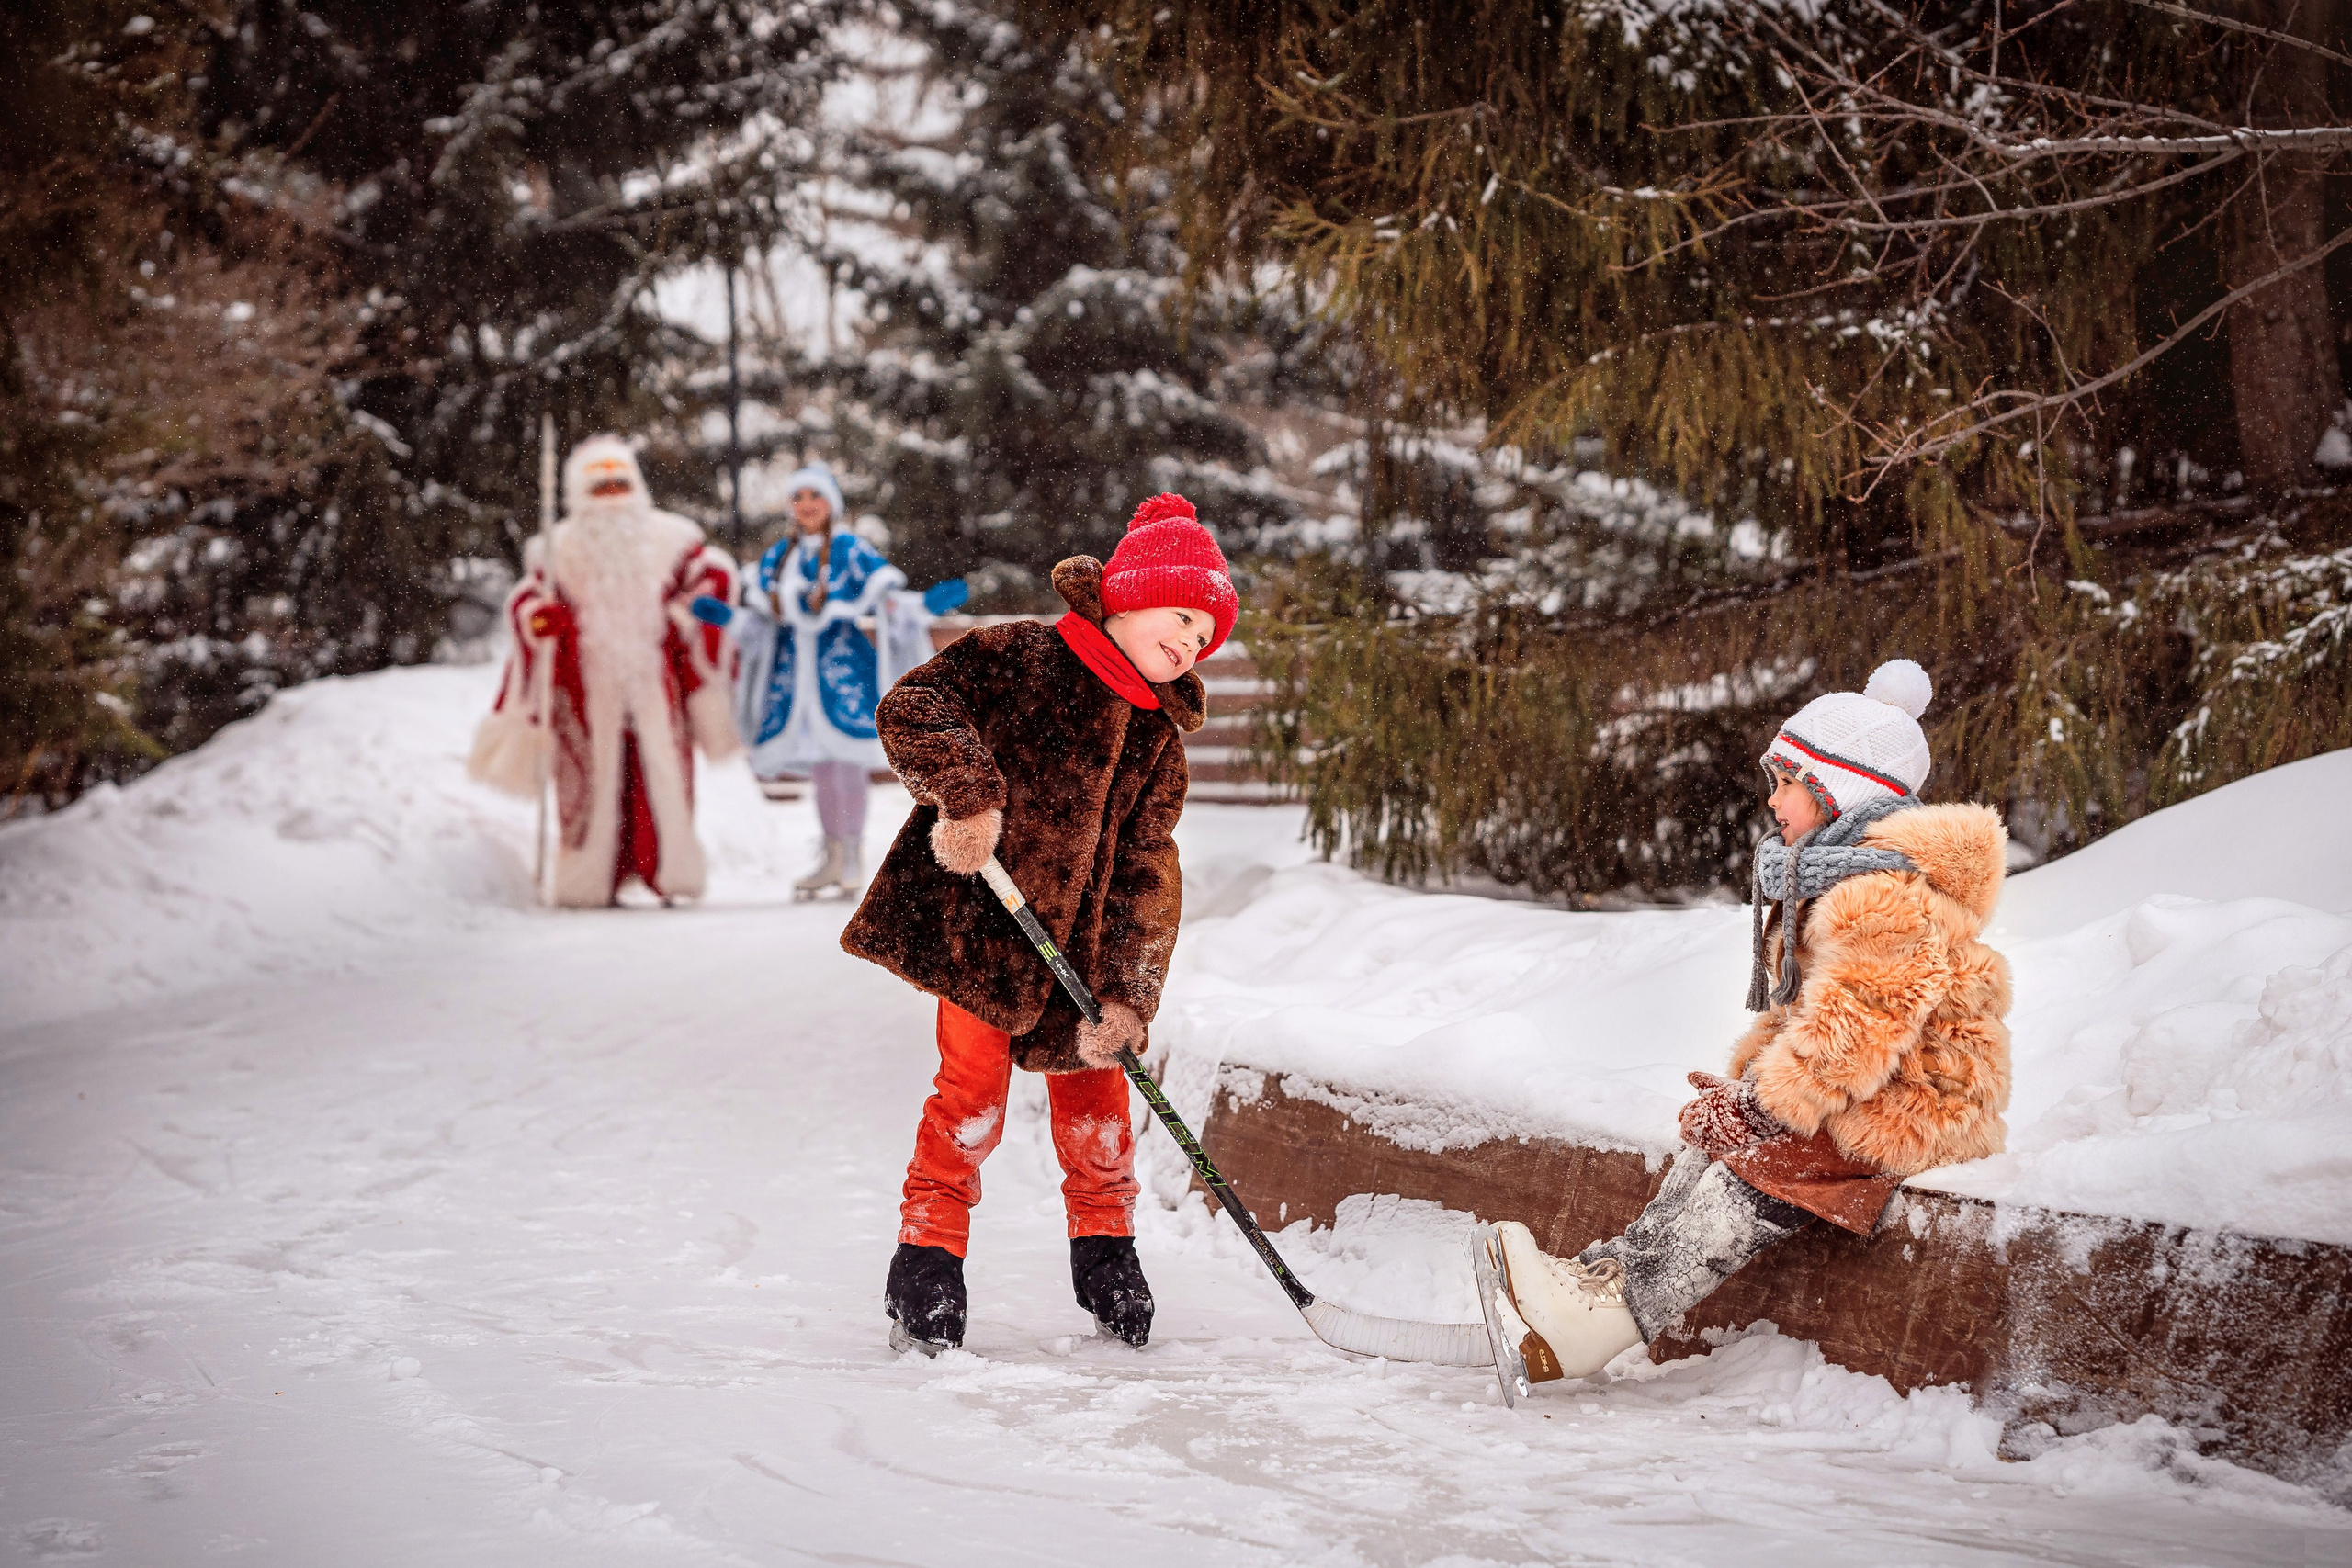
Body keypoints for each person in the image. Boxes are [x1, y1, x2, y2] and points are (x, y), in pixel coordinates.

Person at [1477, 660, 2014, 1389]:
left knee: (1764, 1164)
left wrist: (1767, 1103)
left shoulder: (1883, 895)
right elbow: (1807, 1017)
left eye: (1788, 781)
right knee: (1716, 1144)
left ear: (1839, 791)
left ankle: (1611, 1319)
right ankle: (1606, 1277)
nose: (1773, 800)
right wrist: (1751, 1091)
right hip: (1870, 1090)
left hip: (1919, 1107)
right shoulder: (1837, 878)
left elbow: (1857, 1026)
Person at [840, 493, 1237, 1355]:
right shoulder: (1023, 655)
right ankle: (928, 1260)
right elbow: (914, 707)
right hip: (988, 929)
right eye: (1180, 617)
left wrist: (1130, 996)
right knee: (970, 1097)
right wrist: (968, 792)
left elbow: (1146, 866)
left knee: (1097, 1102)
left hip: (1082, 958)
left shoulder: (1158, 735)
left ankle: (1107, 1254)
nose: (1190, 643)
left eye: (1205, 636)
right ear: (1127, 596)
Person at [468, 434, 741, 908]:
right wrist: (539, 620)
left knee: (663, 774)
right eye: (600, 488)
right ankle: (591, 880)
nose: (613, 498)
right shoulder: (556, 549)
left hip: (655, 684)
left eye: (620, 484)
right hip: (586, 687)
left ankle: (668, 871)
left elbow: (712, 579)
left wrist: (685, 615)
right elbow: (528, 601)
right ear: (579, 494)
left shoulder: (670, 538)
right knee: (590, 782)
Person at [743, 464, 907, 898]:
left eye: (815, 497)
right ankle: (831, 854)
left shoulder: (850, 549)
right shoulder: (781, 554)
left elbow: (885, 590)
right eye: (799, 498)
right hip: (795, 673)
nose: (807, 505)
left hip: (842, 669)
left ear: (830, 504)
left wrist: (912, 608)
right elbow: (760, 606)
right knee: (821, 765)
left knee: (846, 759)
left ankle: (852, 852)